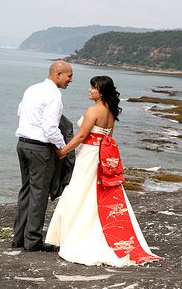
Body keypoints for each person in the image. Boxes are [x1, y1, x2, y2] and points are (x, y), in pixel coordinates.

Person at [45, 75, 163, 266]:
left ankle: (77, 236)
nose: (90, 90)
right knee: (97, 195)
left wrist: (63, 151)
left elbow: (82, 135)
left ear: (101, 91)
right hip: (102, 156)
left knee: (79, 193)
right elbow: (108, 137)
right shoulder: (110, 110)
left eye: (93, 88)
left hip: (89, 156)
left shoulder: (94, 110)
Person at [12, 60, 73, 252]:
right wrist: (63, 148)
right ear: (58, 74)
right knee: (39, 194)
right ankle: (33, 240)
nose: (70, 80)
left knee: (26, 190)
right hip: (39, 148)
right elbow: (50, 128)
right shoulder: (54, 95)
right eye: (69, 76)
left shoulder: (32, 89)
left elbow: (20, 111)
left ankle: (18, 238)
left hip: (22, 144)